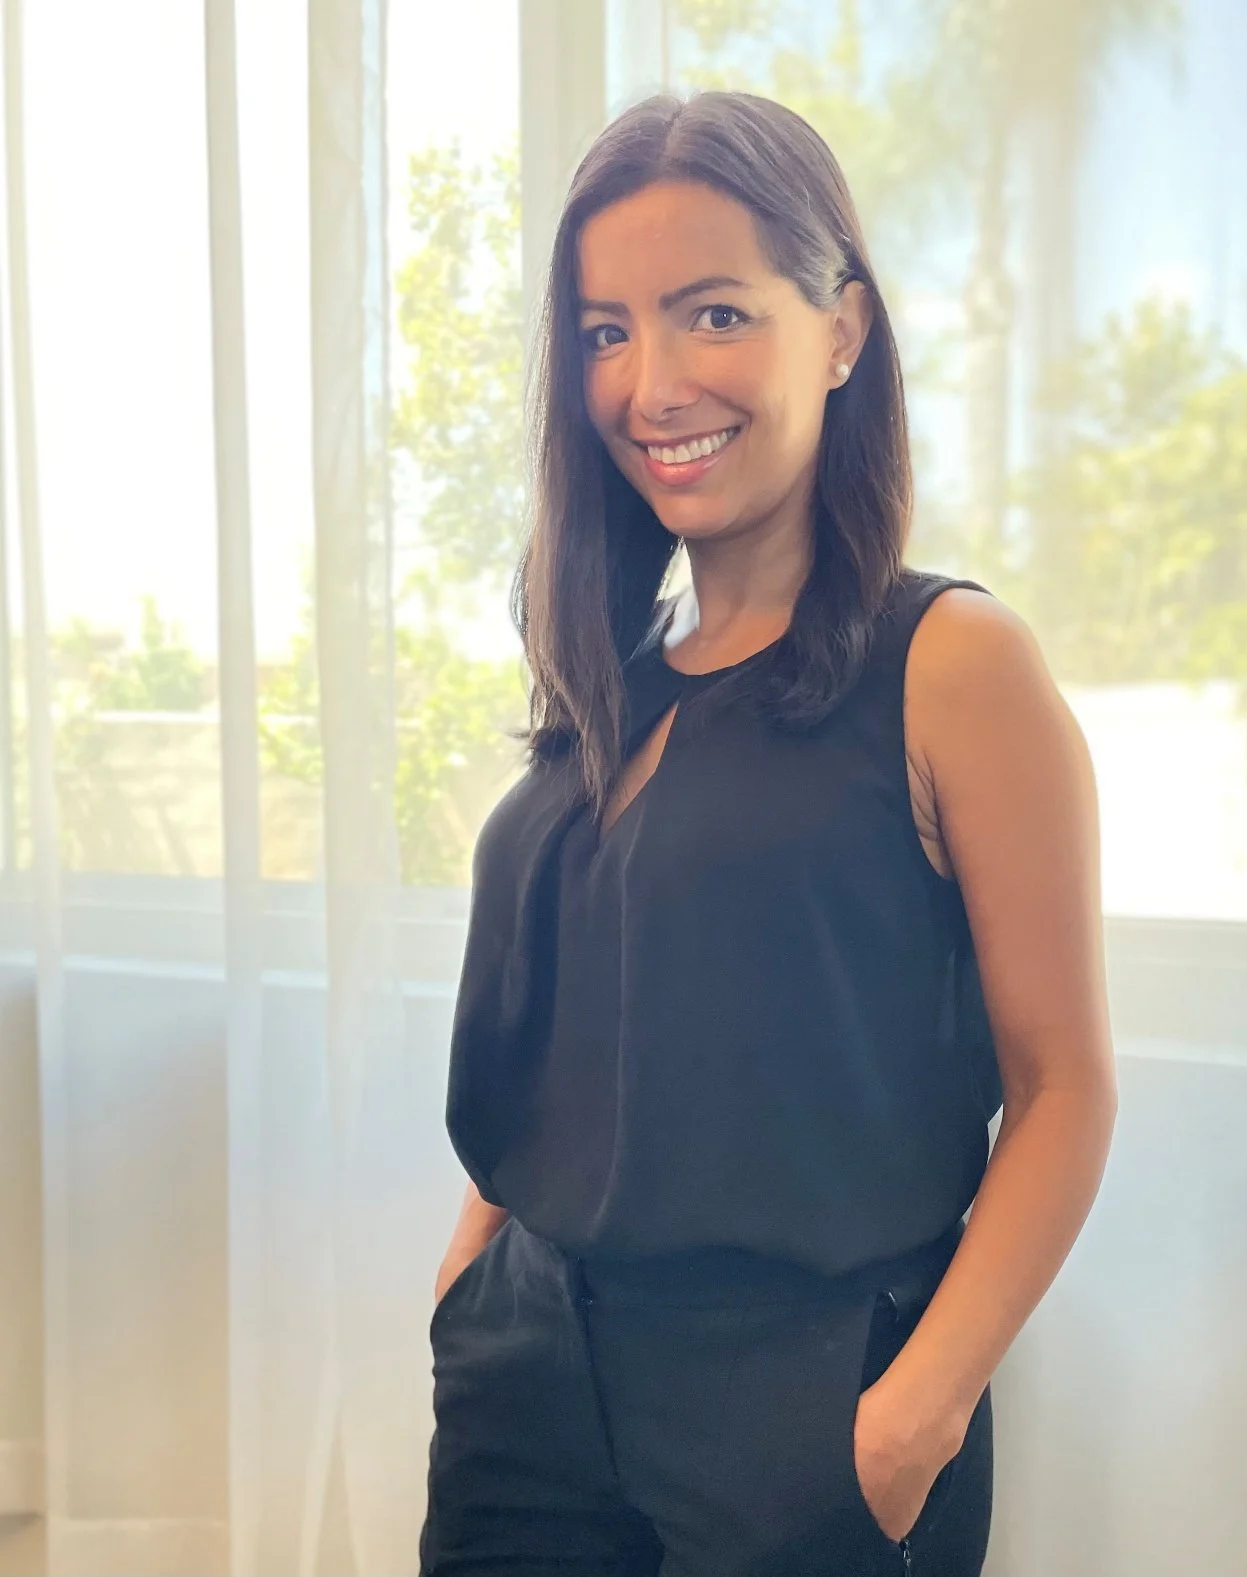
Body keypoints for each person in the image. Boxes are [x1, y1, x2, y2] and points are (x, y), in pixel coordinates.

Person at [418, 90, 1117, 1577]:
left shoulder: (951, 664)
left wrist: (913, 1418)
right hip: (527, 1381)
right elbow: (580, 1026)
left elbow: (1063, 1088)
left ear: (842, 328)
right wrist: (476, 1273)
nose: (652, 382)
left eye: (714, 314)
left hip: (806, 1401)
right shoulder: (608, 679)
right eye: (605, 332)